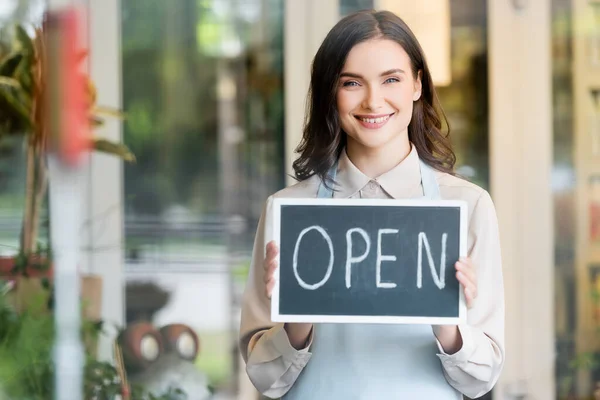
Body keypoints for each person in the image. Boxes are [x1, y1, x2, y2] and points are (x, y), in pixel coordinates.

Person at [239, 9, 504, 400]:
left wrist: (447, 323)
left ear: (417, 85)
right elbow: (266, 381)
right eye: (351, 83)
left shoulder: (468, 206)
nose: (373, 100)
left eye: (391, 80)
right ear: (331, 91)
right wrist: (296, 321)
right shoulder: (288, 210)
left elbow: (482, 380)